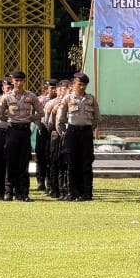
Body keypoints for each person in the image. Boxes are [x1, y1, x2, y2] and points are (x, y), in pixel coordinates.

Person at [0, 70, 43, 202]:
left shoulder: (31, 96)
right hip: (12, 130)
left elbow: (41, 112)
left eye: (21, 81)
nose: (18, 83)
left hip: (25, 131)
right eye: (16, 81)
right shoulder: (7, 97)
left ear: (24, 81)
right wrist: (10, 119)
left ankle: (23, 193)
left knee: (23, 162)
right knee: (11, 162)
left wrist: (30, 118)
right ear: (12, 81)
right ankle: (9, 192)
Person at [56, 72, 99, 201]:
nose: (82, 87)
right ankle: (71, 192)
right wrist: (65, 134)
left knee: (86, 163)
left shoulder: (91, 99)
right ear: (74, 84)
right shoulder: (67, 99)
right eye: (79, 84)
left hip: (85, 132)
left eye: (84, 85)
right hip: (72, 132)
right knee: (71, 164)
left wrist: (88, 130)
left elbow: (96, 118)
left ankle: (86, 192)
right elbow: (60, 119)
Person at [35, 79, 57, 192]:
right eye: (51, 88)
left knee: (51, 157)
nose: (54, 90)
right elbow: (36, 115)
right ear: (45, 89)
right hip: (42, 129)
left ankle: (50, 182)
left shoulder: (59, 101)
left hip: (53, 130)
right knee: (41, 156)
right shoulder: (40, 100)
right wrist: (39, 127)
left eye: (55, 88)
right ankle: (40, 181)